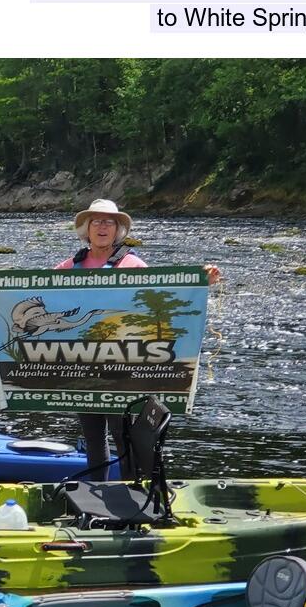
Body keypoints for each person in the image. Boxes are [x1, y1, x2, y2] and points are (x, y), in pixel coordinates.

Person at [55, 199, 221, 479]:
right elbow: (31, 291)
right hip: (82, 363)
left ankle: (132, 493)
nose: (102, 226)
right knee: (93, 436)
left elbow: (167, 292)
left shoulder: (133, 264)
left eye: (109, 221)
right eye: (96, 221)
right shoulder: (70, 265)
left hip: (122, 363)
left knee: (123, 435)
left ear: (118, 229)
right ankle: (100, 494)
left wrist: (202, 280)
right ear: (87, 229)